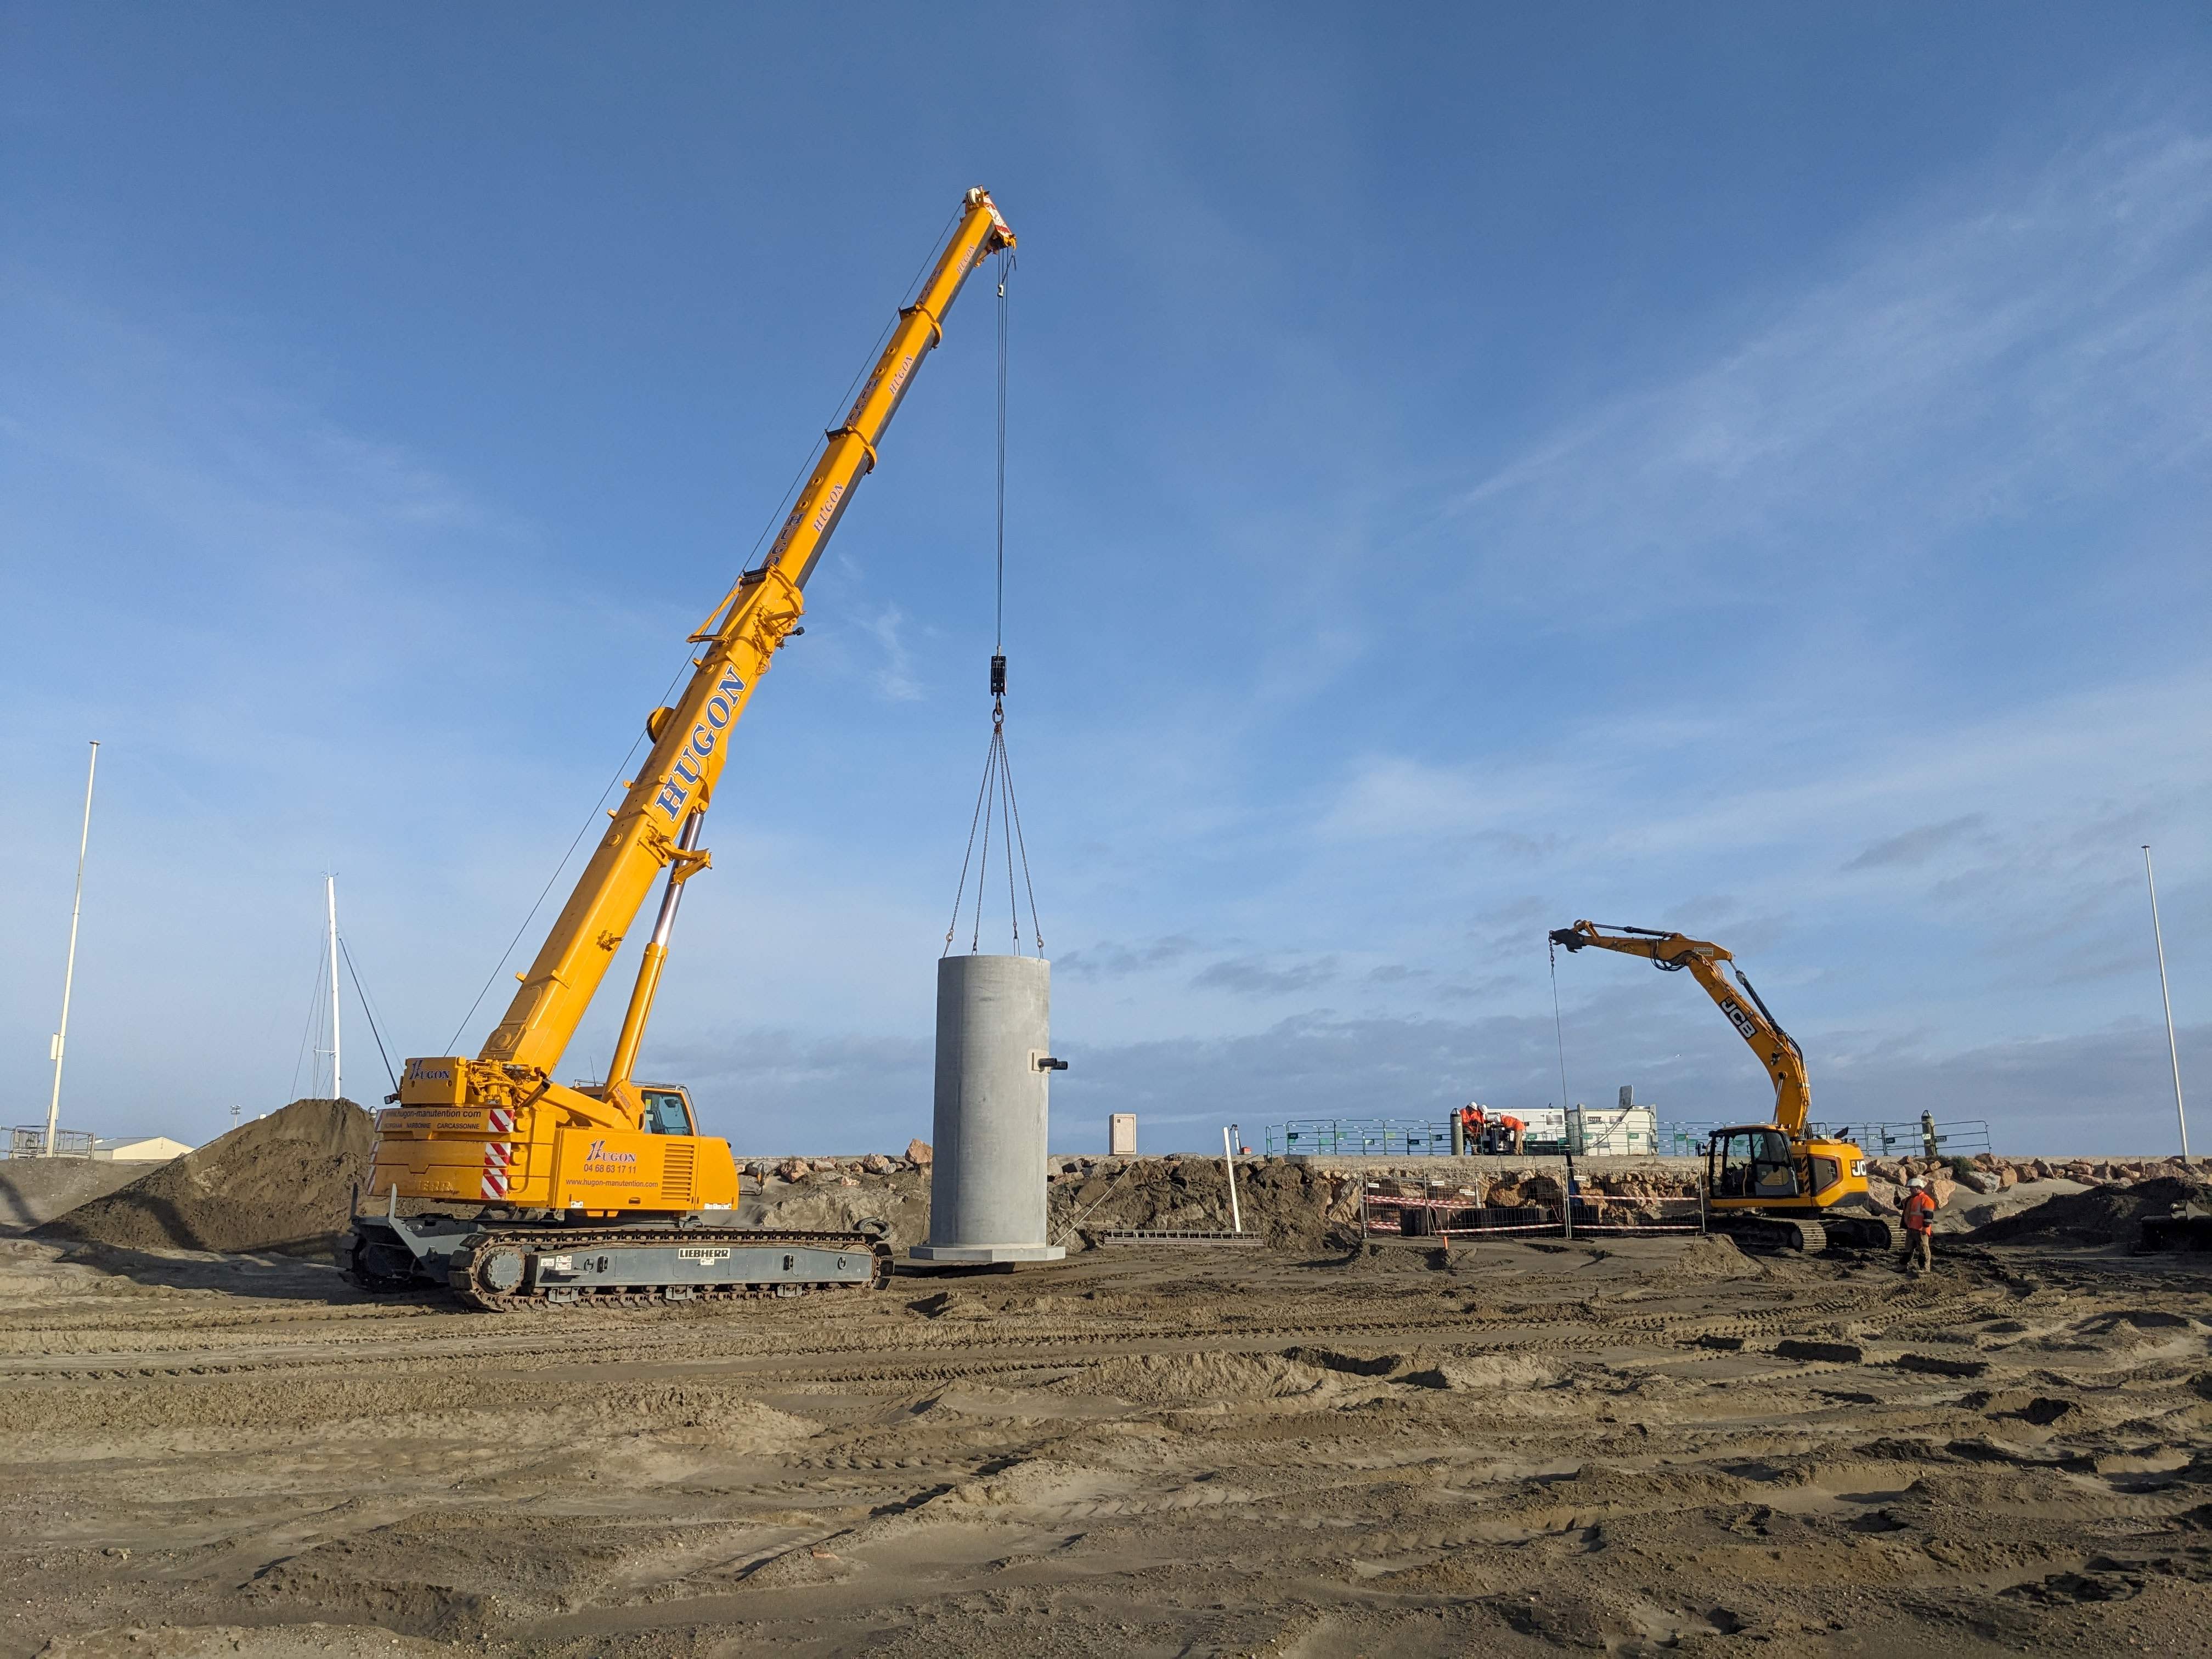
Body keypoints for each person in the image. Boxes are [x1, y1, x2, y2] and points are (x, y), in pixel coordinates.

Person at [1900, 1176, 1936, 1273]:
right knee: (1908, 1249)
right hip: (1911, 1228)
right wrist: (1896, 1200)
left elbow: (1929, 1215)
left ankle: (1925, 1269)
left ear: (1918, 1188)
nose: (1910, 1190)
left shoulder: (1925, 1199)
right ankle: (1903, 1266)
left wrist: (1925, 1227)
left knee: (1924, 1250)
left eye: (1912, 1188)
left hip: (1921, 1229)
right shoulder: (1910, 1199)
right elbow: (1901, 1206)